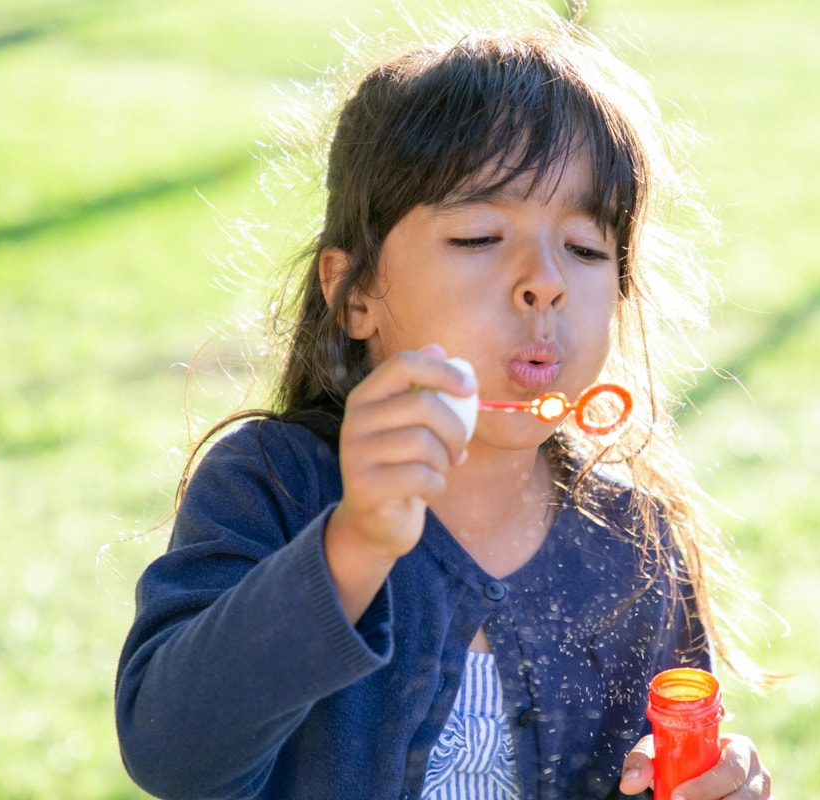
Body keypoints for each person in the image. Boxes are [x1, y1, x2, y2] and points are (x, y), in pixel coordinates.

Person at [115, 3, 776, 798]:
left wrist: (716, 784)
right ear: (354, 293)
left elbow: (663, 764)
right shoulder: (273, 485)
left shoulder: (631, 548)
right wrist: (353, 545)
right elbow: (171, 755)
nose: (546, 280)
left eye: (586, 247)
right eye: (478, 237)